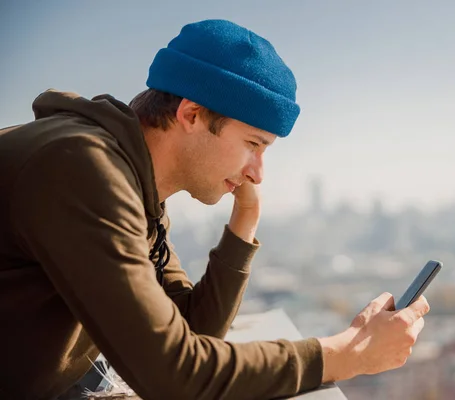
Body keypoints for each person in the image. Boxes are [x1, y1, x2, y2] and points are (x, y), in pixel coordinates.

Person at [0, 19, 430, 400]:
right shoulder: (83, 169)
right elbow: (174, 377)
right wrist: (347, 354)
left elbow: (192, 335)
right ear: (191, 114)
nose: (258, 173)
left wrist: (243, 226)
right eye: (253, 145)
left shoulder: (138, 186)